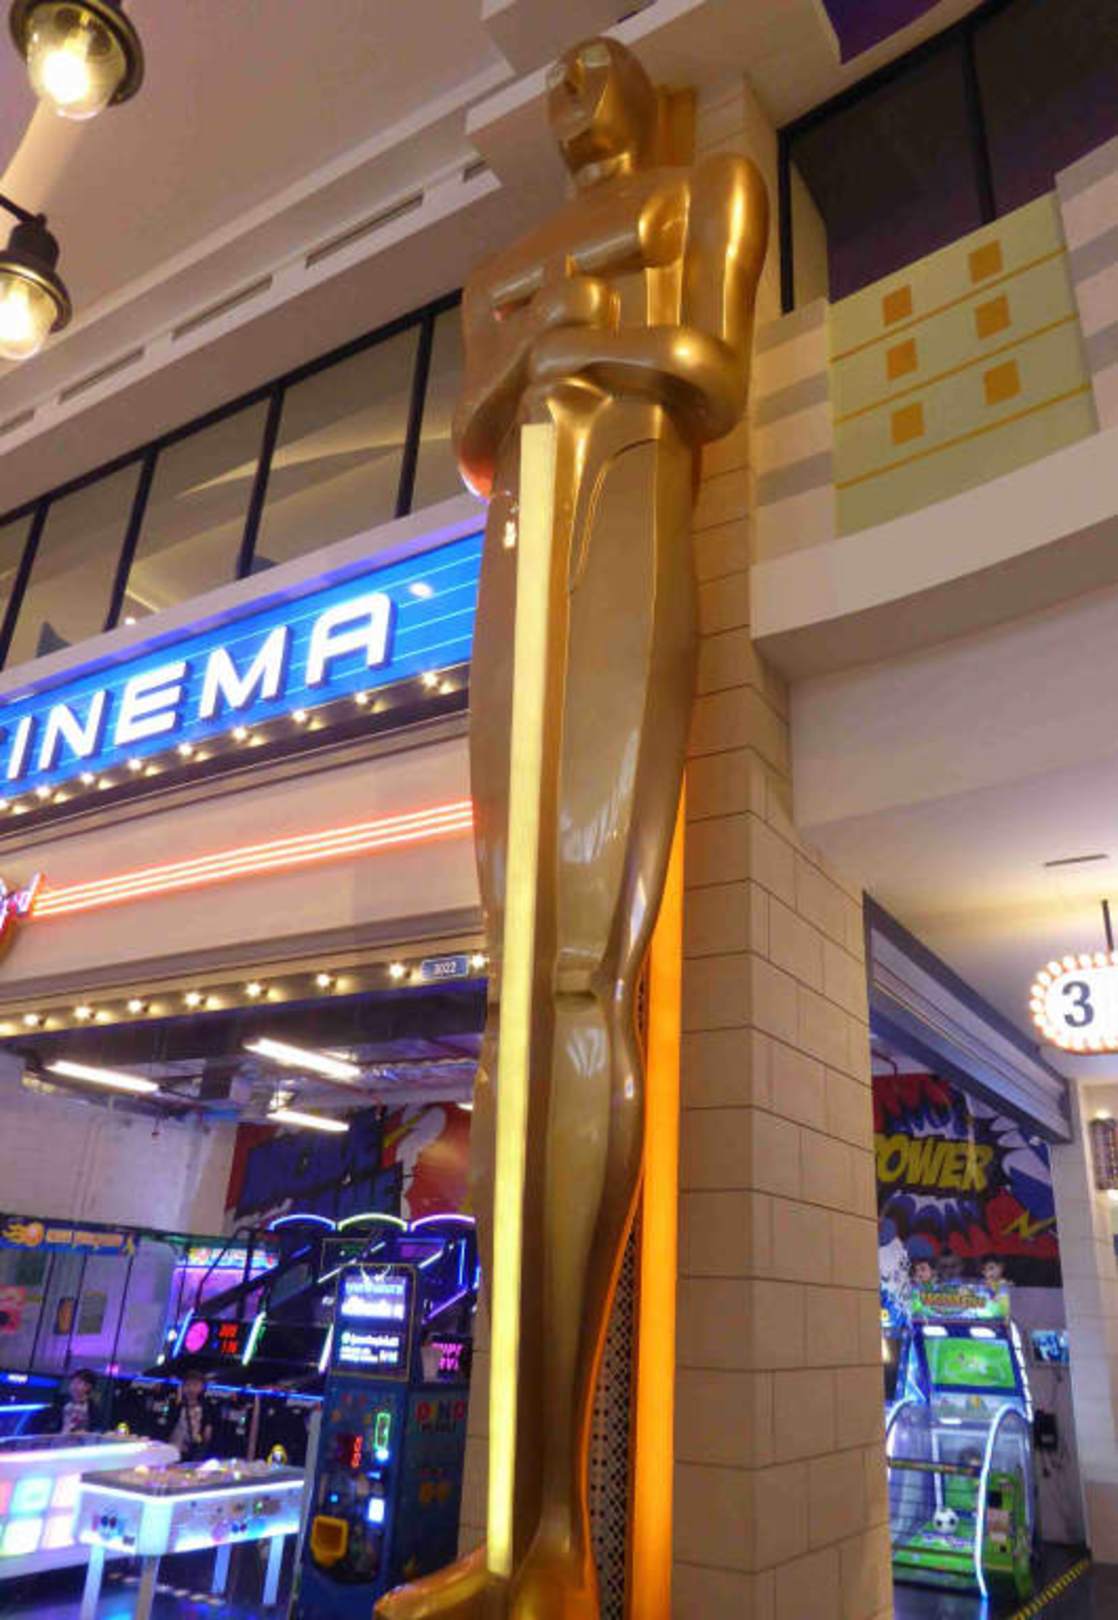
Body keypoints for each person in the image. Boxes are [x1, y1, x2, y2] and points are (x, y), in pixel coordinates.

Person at [380, 33, 768, 1620]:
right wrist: (540, 372)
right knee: (514, 989)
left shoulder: (708, 184)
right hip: (522, 542)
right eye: (555, 76)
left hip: (627, 499)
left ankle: (554, 1532)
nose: (571, 88)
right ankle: (508, 1539)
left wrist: (579, 358)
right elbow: (475, 430)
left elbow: (712, 369)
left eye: (595, 63)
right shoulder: (497, 266)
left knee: (580, 976)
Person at [167, 1368, 214, 1462]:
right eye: (188, 1385)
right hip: (174, 1447)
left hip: (193, 1448)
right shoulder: (177, 1404)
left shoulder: (205, 1407)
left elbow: (208, 1427)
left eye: (195, 1385)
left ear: (202, 1387)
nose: (191, 1389)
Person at [55, 1368, 102, 1435]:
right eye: (72, 1382)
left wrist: (86, 1433)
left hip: (82, 1440)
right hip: (60, 1439)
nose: (73, 1386)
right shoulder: (62, 1403)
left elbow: (96, 1430)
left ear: (88, 1386)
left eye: (78, 1383)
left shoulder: (93, 1408)